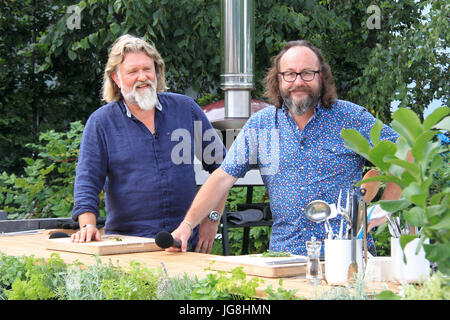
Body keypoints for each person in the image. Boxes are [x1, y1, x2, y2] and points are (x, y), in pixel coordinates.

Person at [170, 40, 402, 255]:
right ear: (278, 79)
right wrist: (187, 225)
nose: (298, 82)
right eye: (290, 74)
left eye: (307, 73)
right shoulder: (262, 124)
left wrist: (385, 209)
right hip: (285, 258)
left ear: (322, 77)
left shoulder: (350, 118)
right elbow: (222, 177)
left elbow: (406, 155)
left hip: (346, 256)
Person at [70, 34, 227, 253]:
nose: (142, 77)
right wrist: (87, 226)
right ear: (116, 78)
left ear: (157, 71)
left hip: (183, 244)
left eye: (147, 69)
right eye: (133, 72)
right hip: (127, 247)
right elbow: (87, 182)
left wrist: (212, 219)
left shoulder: (185, 109)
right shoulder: (101, 122)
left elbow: (224, 170)